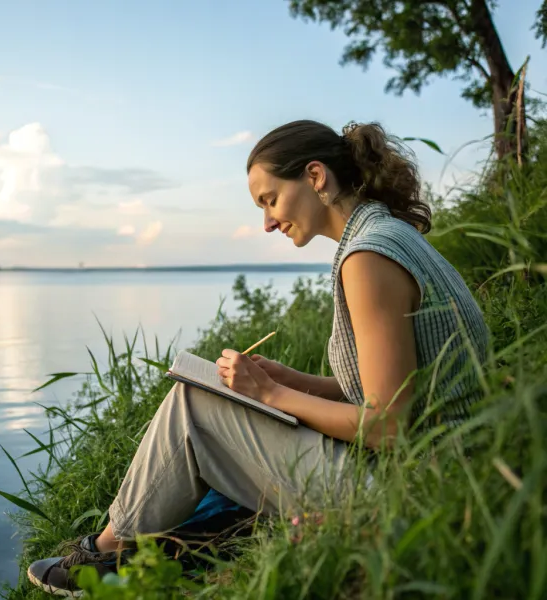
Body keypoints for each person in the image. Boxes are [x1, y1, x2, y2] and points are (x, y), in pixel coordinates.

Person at [26, 119, 490, 596]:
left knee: (194, 403)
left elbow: (388, 424)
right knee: (213, 398)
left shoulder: (367, 259)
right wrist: (295, 381)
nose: (267, 221)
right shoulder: (381, 235)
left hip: (418, 489)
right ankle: (131, 543)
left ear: (315, 177)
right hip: (446, 468)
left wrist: (271, 393)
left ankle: (104, 556)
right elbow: (389, 388)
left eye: (270, 199)